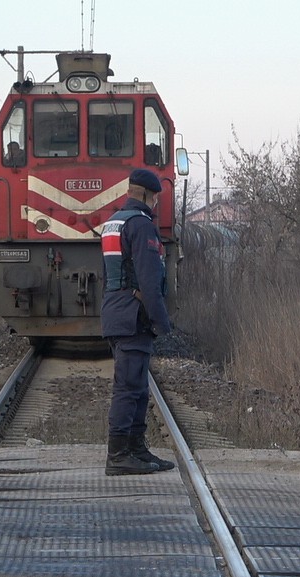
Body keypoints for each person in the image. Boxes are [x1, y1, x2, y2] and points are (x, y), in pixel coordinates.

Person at [100, 168, 173, 475]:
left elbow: (107, 274)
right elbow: (149, 278)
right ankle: (118, 455)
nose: (156, 202)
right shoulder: (141, 225)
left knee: (138, 386)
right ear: (145, 194)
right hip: (133, 315)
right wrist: (161, 321)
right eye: (155, 196)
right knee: (129, 386)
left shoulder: (112, 223)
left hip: (117, 310)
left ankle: (136, 449)